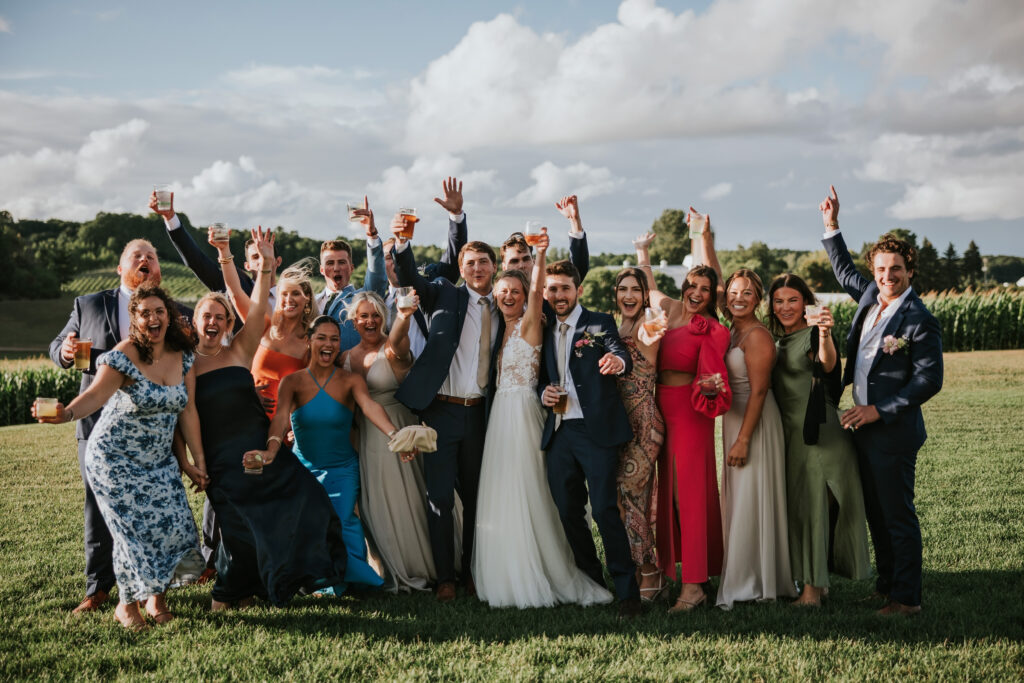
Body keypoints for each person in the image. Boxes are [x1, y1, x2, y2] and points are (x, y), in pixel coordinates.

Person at [182, 228, 349, 609]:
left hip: (259, 444)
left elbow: (257, 307)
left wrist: (267, 265)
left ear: (228, 324)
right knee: (239, 527)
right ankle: (226, 594)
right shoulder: (185, 362)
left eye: (220, 317)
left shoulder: (241, 349)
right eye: (206, 315)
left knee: (307, 500)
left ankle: (272, 583)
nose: (213, 321)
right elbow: (185, 413)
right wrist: (196, 461)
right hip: (221, 455)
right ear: (195, 320)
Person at [37, 285, 207, 630]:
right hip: (114, 458)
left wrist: (195, 461)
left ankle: (156, 600)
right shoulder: (125, 354)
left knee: (173, 525)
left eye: (159, 311)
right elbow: (94, 396)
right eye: (144, 313)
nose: (153, 318)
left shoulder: (183, 354)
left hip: (158, 461)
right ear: (136, 319)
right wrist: (66, 414)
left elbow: (187, 410)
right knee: (133, 532)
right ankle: (126, 606)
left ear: (169, 315)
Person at [821, 185, 943, 615]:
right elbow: (843, 272)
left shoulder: (920, 321)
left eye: (895, 270)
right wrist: (832, 226)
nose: (886, 277)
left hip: (891, 430)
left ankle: (907, 599)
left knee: (897, 516)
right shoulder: (871, 297)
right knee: (875, 511)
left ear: (910, 270)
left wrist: (877, 410)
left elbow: (929, 382)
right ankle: (888, 585)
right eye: (880, 269)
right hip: (861, 427)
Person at [474, 236, 614, 608]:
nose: (508, 297)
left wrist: (541, 254)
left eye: (515, 292)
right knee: (502, 493)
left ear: (526, 297)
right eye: (502, 291)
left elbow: (537, 289)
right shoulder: (499, 330)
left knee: (529, 492)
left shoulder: (531, 324)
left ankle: (543, 571)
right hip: (499, 420)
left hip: (523, 416)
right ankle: (507, 571)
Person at [245, 316, 415, 593]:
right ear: (310, 341)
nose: (328, 344)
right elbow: (279, 420)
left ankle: (356, 581)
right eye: (321, 337)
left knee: (344, 520)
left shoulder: (351, 381)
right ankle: (317, 579)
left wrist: (396, 437)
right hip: (305, 469)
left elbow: (371, 408)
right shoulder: (293, 382)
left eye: (334, 339)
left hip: (342, 469)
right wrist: (272, 449)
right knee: (310, 523)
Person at [390, 234, 501, 603]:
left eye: (483, 262)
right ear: (462, 270)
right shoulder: (444, 294)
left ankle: (471, 570)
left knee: (475, 497)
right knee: (439, 498)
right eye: (469, 263)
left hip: (482, 414)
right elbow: (411, 277)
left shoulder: (504, 303)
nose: (476, 268)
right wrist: (403, 246)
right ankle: (444, 579)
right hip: (441, 409)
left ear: (494, 267)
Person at [538, 260, 642, 618]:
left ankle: (628, 591)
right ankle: (591, 582)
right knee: (568, 511)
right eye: (552, 289)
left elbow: (619, 352)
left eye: (565, 288)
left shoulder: (599, 322)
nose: (559, 295)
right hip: (559, 431)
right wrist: (544, 395)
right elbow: (539, 376)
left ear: (578, 290)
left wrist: (616, 361)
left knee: (603, 510)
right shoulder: (543, 325)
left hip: (596, 432)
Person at [636, 229, 731, 613]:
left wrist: (710, 387)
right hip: (662, 410)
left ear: (714, 295)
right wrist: (643, 250)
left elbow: (714, 378)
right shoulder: (671, 310)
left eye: (705, 289)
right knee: (669, 498)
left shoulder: (716, 329)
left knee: (689, 497)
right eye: (692, 284)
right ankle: (684, 574)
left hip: (692, 414)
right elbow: (647, 285)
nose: (696, 293)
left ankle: (694, 587)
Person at [767, 272, 871, 607]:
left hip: (818, 432)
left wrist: (825, 333)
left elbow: (828, 366)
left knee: (813, 507)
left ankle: (811, 592)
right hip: (791, 433)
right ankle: (819, 585)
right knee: (806, 508)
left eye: (793, 300)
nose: (785, 307)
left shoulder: (814, 333)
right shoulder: (771, 336)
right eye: (779, 300)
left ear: (806, 303)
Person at [341, 291, 453, 592]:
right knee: (375, 504)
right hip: (366, 437)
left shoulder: (393, 349)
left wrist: (403, 316)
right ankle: (390, 566)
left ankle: (423, 566)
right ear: (353, 321)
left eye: (376, 315)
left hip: (401, 431)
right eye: (364, 316)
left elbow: (400, 340)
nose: (370, 321)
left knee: (410, 499)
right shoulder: (344, 359)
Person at [610, 266, 666, 602]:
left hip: (644, 423)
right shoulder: (616, 326)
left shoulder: (649, 324)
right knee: (626, 500)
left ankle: (651, 572)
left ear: (645, 294)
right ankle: (635, 566)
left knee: (628, 496)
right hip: (619, 424)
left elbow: (652, 333)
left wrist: (653, 324)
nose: (628, 296)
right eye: (623, 289)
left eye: (635, 289)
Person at [214, 236, 315, 418]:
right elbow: (235, 292)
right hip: (252, 418)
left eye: (296, 294)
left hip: (289, 427)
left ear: (307, 299)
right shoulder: (265, 327)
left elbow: (313, 390)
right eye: (284, 294)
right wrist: (224, 251)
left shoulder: (311, 343)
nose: (289, 299)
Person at [151, 190, 283, 314]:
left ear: (278, 261)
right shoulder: (232, 285)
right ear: (247, 266)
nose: (262, 260)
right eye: (255, 257)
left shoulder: (291, 296)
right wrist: (170, 218)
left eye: (266, 255)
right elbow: (196, 261)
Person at [499, 194, 590, 282]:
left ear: (534, 262)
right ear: (504, 267)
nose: (521, 265)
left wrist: (574, 219)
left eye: (526, 259)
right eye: (514, 261)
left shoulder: (547, 293)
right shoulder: (497, 296)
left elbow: (575, 273)